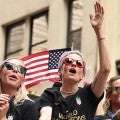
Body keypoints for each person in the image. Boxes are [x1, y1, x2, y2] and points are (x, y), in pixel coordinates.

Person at [36, 1, 111, 120]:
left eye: (79, 63)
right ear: (60, 71)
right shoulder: (50, 94)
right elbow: (45, 115)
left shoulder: (89, 94)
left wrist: (98, 29)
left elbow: (105, 69)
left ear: (82, 76)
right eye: (68, 61)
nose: (74, 64)